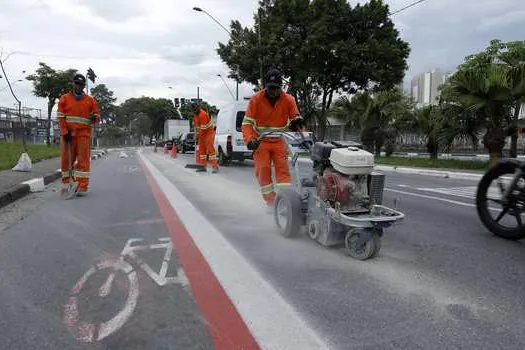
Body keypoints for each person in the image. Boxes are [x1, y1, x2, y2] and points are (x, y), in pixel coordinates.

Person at [242, 68, 305, 211]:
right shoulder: (256, 99)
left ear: (280, 87)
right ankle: (271, 202)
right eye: (270, 88)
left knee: (283, 172)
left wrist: (297, 123)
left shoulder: (289, 100)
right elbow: (247, 124)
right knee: (263, 171)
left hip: (280, 141)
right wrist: (250, 140)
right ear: (265, 86)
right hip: (261, 141)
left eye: (276, 88)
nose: (273, 91)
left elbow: (296, 117)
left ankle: (285, 202)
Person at [57, 73, 101, 196]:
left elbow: (97, 116)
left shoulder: (90, 100)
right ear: (73, 83)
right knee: (66, 160)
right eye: (77, 84)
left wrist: (94, 117)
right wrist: (65, 132)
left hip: (83, 134)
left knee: (83, 161)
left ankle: (82, 186)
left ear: (83, 86)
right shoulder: (64, 99)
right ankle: (67, 184)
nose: (79, 86)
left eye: (81, 85)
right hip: (68, 135)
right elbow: (60, 117)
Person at [192, 103, 219, 173]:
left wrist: (197, 136)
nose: (195, 111)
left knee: (210, 149)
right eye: (194, 110)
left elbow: (203, 128)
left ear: (198, 108)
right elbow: (197, 127)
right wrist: (196, 135)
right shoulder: (195, 116)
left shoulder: (203, 114)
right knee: (201, 150)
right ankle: (202, 166)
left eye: (196, 109)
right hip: (202, 134)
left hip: (208, 133)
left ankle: (215, 166)